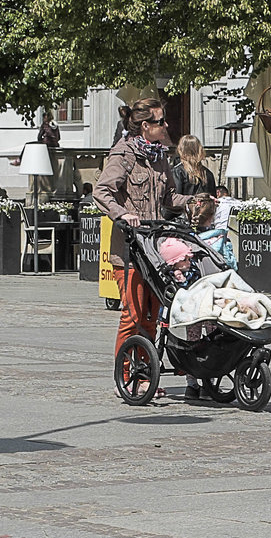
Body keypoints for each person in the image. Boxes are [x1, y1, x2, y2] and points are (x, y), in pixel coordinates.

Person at [94, 98, 192, 397]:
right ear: (145, 126)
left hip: (155, 249)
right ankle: (123, 376)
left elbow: (169, 199)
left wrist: (196, 201)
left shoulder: (161, 156)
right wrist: (122, 214)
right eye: (160, 122)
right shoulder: (123, 155)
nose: (166, 126)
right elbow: (101, 192)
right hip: (128, 250)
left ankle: (145, 374)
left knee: (152, 316)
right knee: (133, 316)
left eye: (164, 121)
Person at [164, 135, 217, 220]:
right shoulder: (208, 174)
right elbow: (213, 200)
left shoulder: (178, 172)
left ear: (180, 149)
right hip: (203, 220)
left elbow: (173, 200)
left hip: (182, 222)